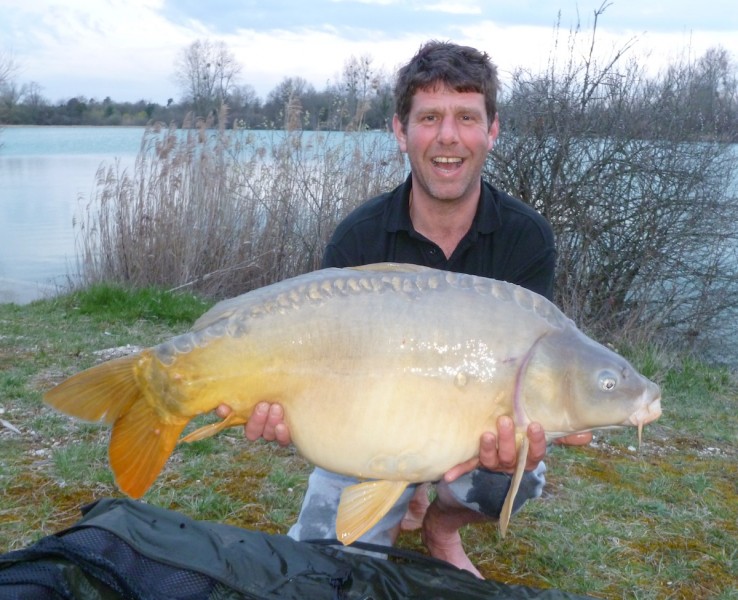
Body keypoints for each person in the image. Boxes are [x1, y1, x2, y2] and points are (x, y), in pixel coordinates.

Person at [219, 40, 591, 578]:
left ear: (492, 131)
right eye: (429, 117)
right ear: (400, 130)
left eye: (467, 117)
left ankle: (439, 525)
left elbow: (532, 374)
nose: (448, 136)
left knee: (513, 473)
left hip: (465, 426)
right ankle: (398, 496)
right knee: (323, 569)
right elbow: (317, 372)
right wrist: (285, 411)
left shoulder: (525, 237)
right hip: (369, 429)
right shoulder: (359, 238)